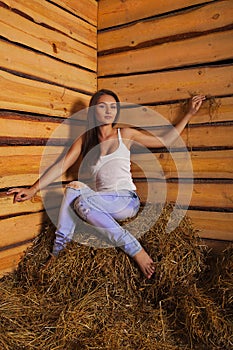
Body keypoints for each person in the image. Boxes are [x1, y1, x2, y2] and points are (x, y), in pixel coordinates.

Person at [7, 89, 205, 279]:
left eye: (113, 106)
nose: (109, 111)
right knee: (73, 190)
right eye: (103, 107)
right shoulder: (85, 140)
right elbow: (60, 166)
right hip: (99, 203)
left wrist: (188, 114)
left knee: (79, 197)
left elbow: (165, 141)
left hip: (126, 201)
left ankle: (136, 250)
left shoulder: (125, 134)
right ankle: (57, 254)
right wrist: (33, 190)